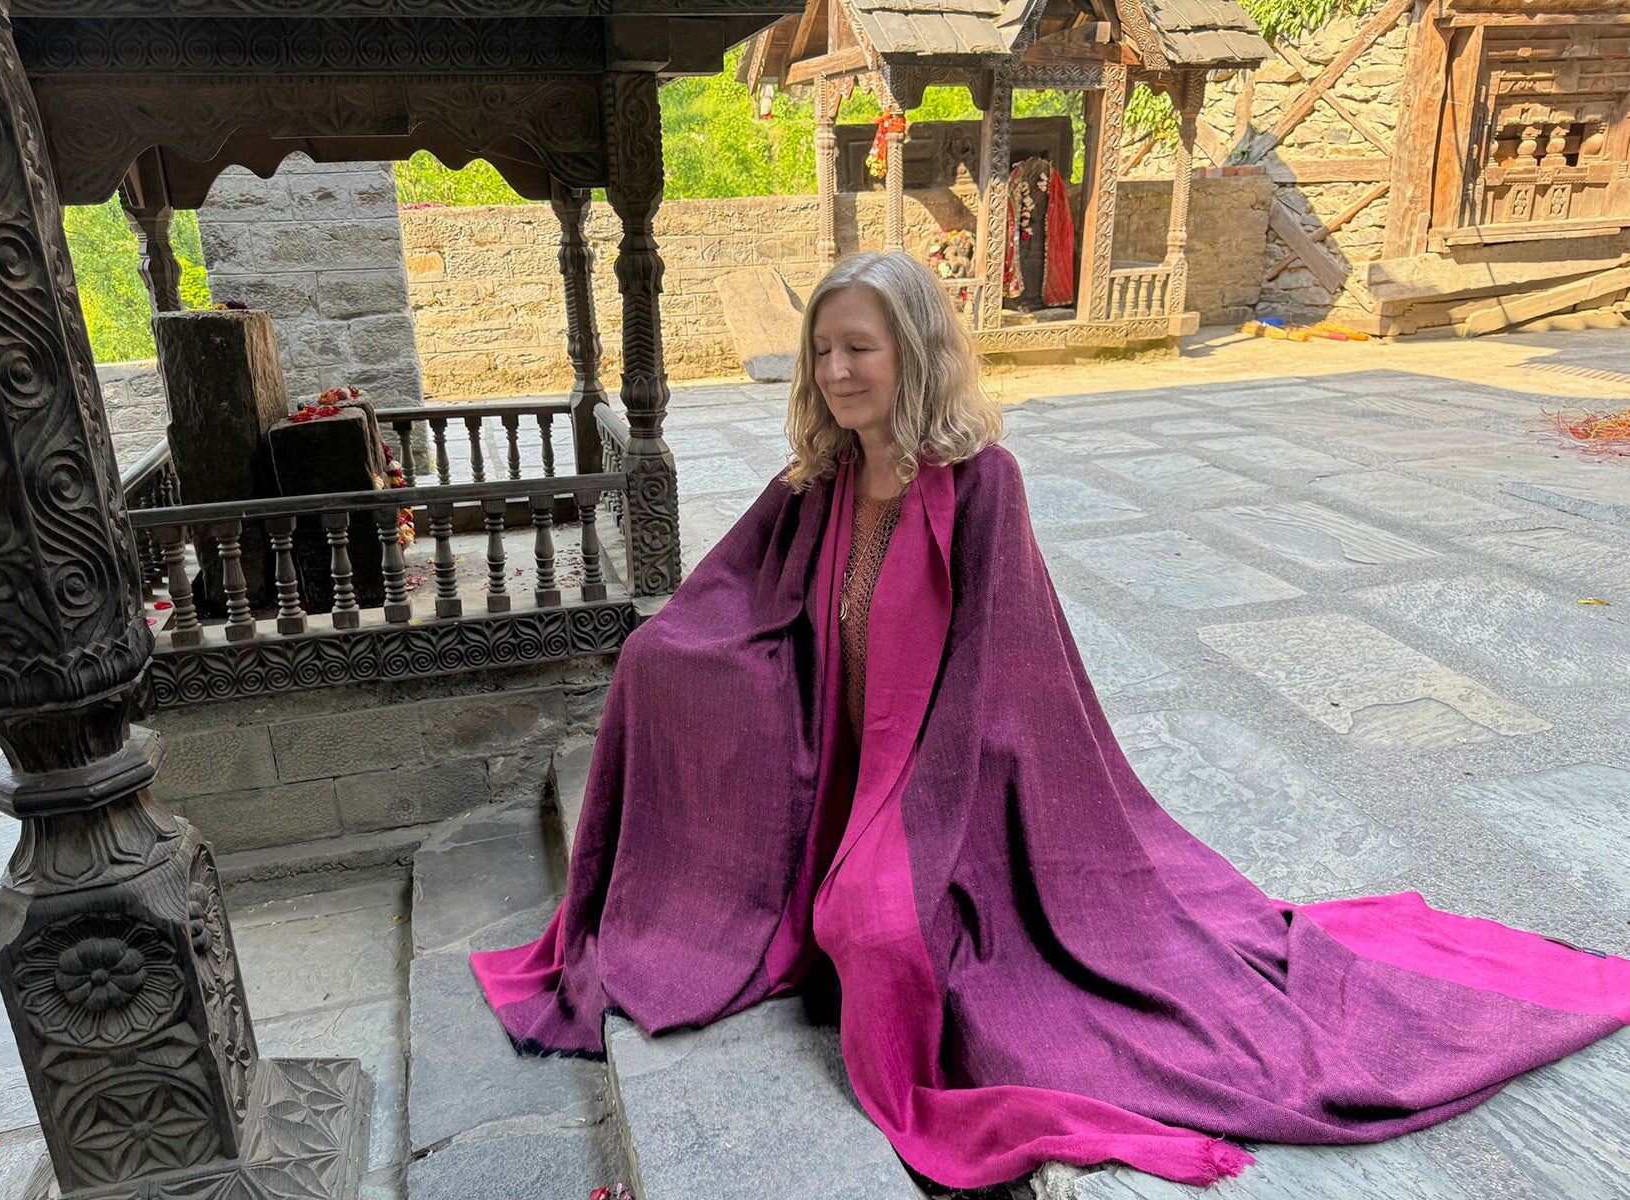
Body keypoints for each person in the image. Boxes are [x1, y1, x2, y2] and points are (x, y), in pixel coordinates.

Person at [473, 251, 1630, 1190]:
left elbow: (1003, 684)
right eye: (822, 349)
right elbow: (728, 613)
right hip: (837, 769)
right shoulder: (811, 486)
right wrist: (654, 663)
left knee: (876, 936)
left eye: (858, 348)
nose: (833, 369)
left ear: (912, 351)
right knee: (666, 683)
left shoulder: (981, 484)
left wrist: (914, 832)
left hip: (947, 793)